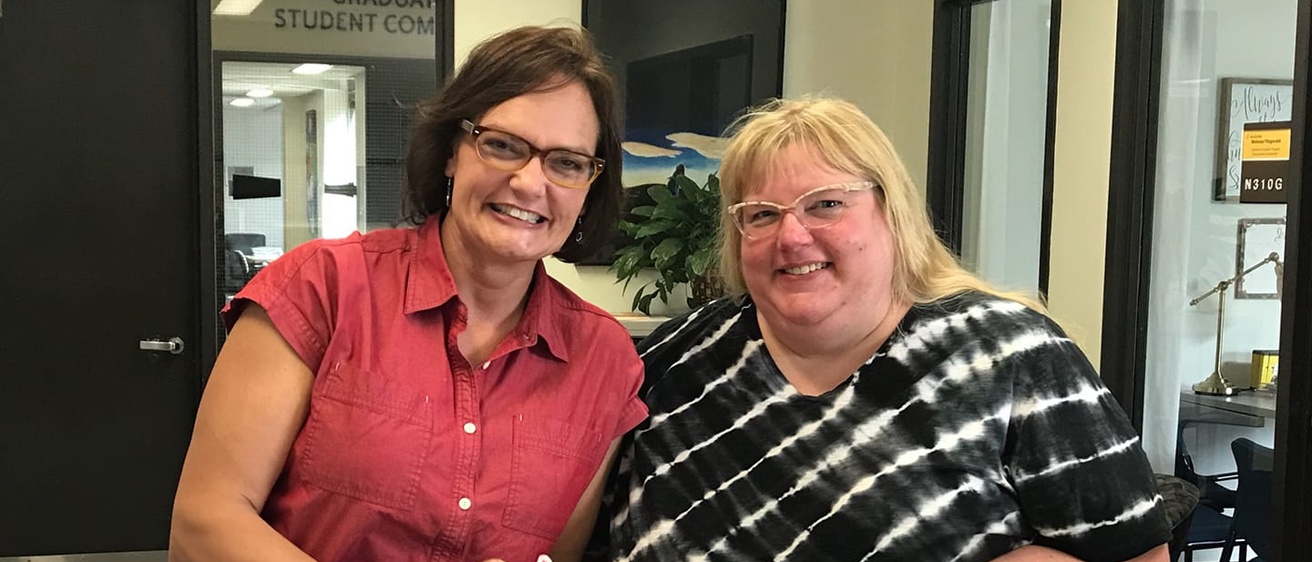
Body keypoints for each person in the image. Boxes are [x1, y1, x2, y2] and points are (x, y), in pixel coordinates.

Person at [604, 98, 1172, 562]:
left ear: (890, 211)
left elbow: (1137, 556)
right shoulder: (675, 360)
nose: (792, 236)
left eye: (825, 204)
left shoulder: (1011, 355)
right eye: (762, 214)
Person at [170, 26, 646, 562]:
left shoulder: (605, 361)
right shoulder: (321, 286)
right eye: (503, 146)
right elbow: (204, 525)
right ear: (451, 152)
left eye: (567, 163)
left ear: (589, 187)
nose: (532, 184)